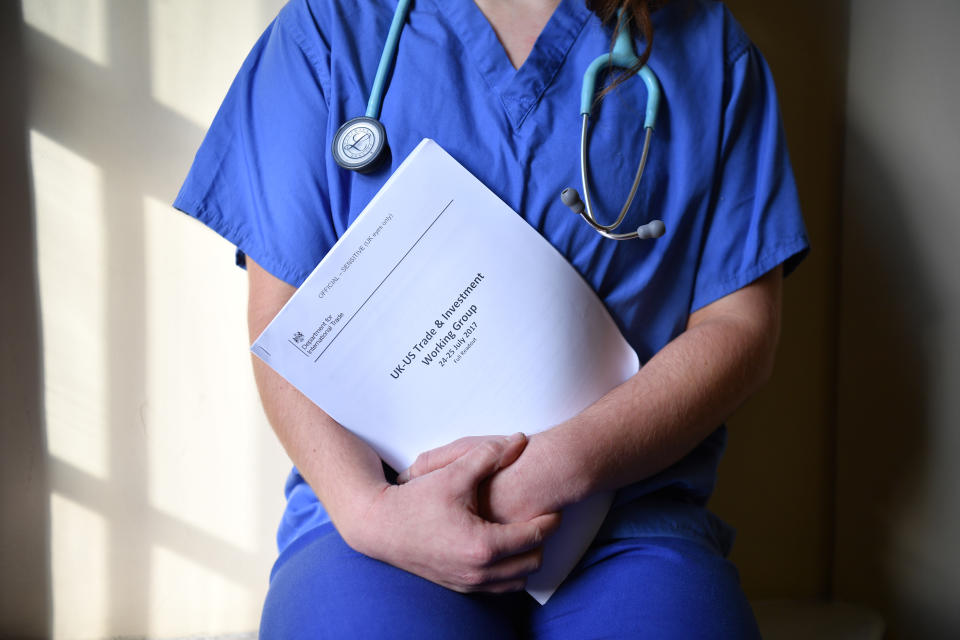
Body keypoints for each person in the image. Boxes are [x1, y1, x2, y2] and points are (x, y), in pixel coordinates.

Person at [174, 0, 809, 636]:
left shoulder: (708, 48)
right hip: (384, 515)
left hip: (626, 520)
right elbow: (281, 321)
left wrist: (566, 467)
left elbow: (739, 327)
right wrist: (368, 511)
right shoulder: (328, 30)